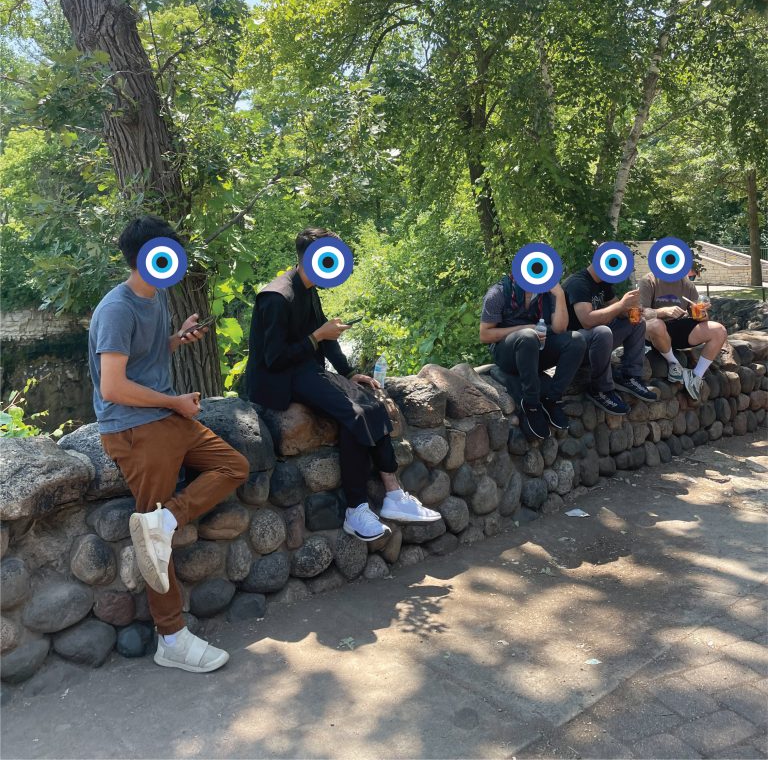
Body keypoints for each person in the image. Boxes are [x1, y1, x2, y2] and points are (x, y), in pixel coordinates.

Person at [89, 216, 249, 674]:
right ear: (145, 257)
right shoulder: (116, 310)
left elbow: (146, 358)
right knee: (153, 545)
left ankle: (165, 520)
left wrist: (177, 339)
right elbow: (114, 387)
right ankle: (172, 637)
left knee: (233, 467)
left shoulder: (155, 298)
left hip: (168, 417)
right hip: (133, 428)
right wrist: (174, 401)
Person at [244, 227, 441, 541]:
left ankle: (393, 496)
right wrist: (316, 337)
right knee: (354, 414)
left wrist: (348, 373)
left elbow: (326, 337)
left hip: (305, 369)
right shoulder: (276, 297)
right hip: (279, 379)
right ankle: (357, 509)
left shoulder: (309, 289)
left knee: (370, 403)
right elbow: (273, 358)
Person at [479, 270, 586, 440]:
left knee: (576, 340)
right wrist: (525, 328)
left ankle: (552, 398)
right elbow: (485, 335)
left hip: (537, 351)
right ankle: (531, 403)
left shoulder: (546, 293)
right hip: (507, 354)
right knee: (527, 337)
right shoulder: (498, 293)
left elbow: (560, 328)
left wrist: (559, 295)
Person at [564, 260, 656, 416]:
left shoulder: (602, 283)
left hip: (596, 344)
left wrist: (630, 308)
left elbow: (618, 311)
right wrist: (621, 306)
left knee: (636, 322)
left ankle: (630, 376)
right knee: (602, 332)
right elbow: (587, 321)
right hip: (574, 347)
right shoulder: (577, 283)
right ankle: (600, 389)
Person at [639, 266, 727, 400]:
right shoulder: (648, 280)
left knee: (719, 330)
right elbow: (640, 313)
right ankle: (674, 364)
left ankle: (696, 377)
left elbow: (700, 317)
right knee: (656, 325)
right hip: (654, 331)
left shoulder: (687, 284)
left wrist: (701, 313)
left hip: (678, 327)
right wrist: (663, 312)